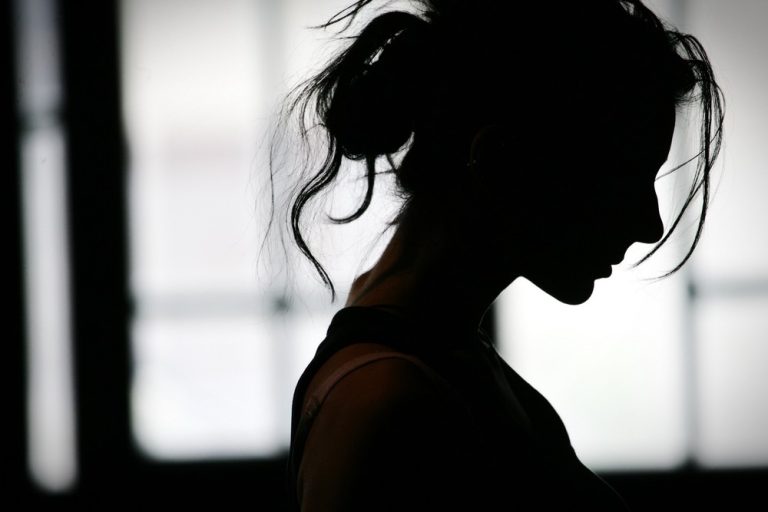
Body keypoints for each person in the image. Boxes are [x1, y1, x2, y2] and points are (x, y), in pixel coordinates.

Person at [268, 0, 725, 510]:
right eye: (622, 182)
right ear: (499, 161)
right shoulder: (385, 401)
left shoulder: (442, 353)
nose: (650, 225)